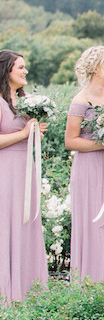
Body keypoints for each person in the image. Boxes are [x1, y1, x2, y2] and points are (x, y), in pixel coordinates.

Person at [65, 46, 104, 286]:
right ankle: (90, 285)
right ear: (96, 68)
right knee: (93, 224)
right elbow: (70, 141)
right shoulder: (80, 101)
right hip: (90, 169)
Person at [0, 50, 49, 303]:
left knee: (25, 222)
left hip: (25, 169)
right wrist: (23, 134)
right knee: (6, 224)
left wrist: (36, 133)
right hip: (5, 171)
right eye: (20, 67)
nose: (25, 71)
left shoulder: (26, 100)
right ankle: (6, 291)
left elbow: (30, 136)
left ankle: (28, 289)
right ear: (6, 70)